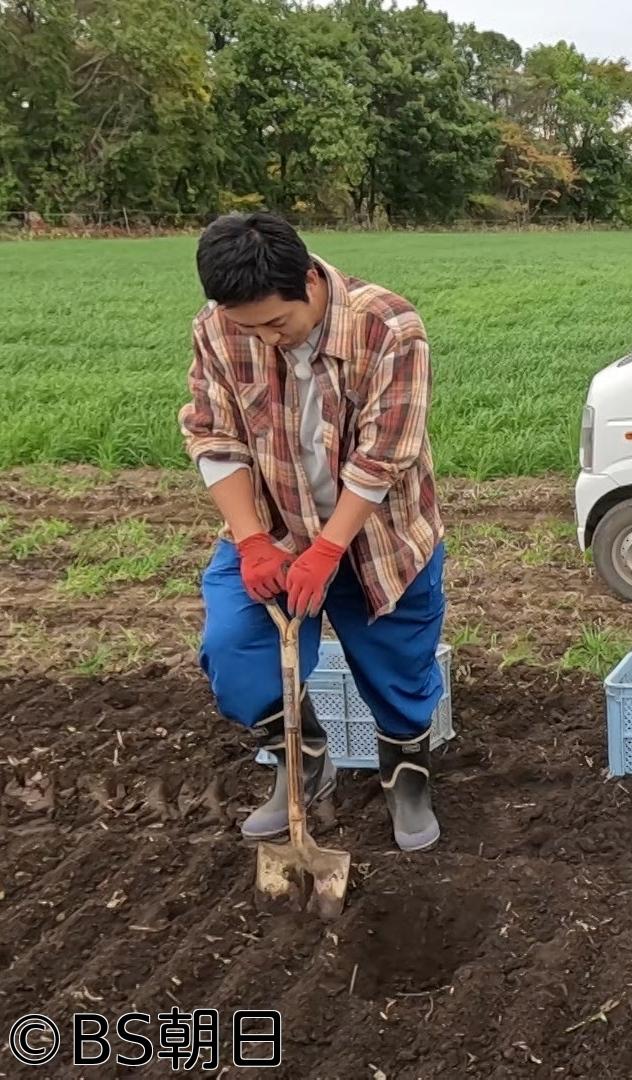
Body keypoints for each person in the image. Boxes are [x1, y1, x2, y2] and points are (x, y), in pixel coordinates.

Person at [179, 211, 447, 852]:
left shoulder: (387, 326)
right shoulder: (218, 329)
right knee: (233, 647)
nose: (266, 339)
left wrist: (329, 549)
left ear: (309, 282)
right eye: (250, 327)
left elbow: (384, 453)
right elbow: (213, 435)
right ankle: (302, 760)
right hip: (271, 524)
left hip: (377, 533)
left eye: (277, 323)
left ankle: (406, 777)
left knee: (397, 667)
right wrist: (249, 540)